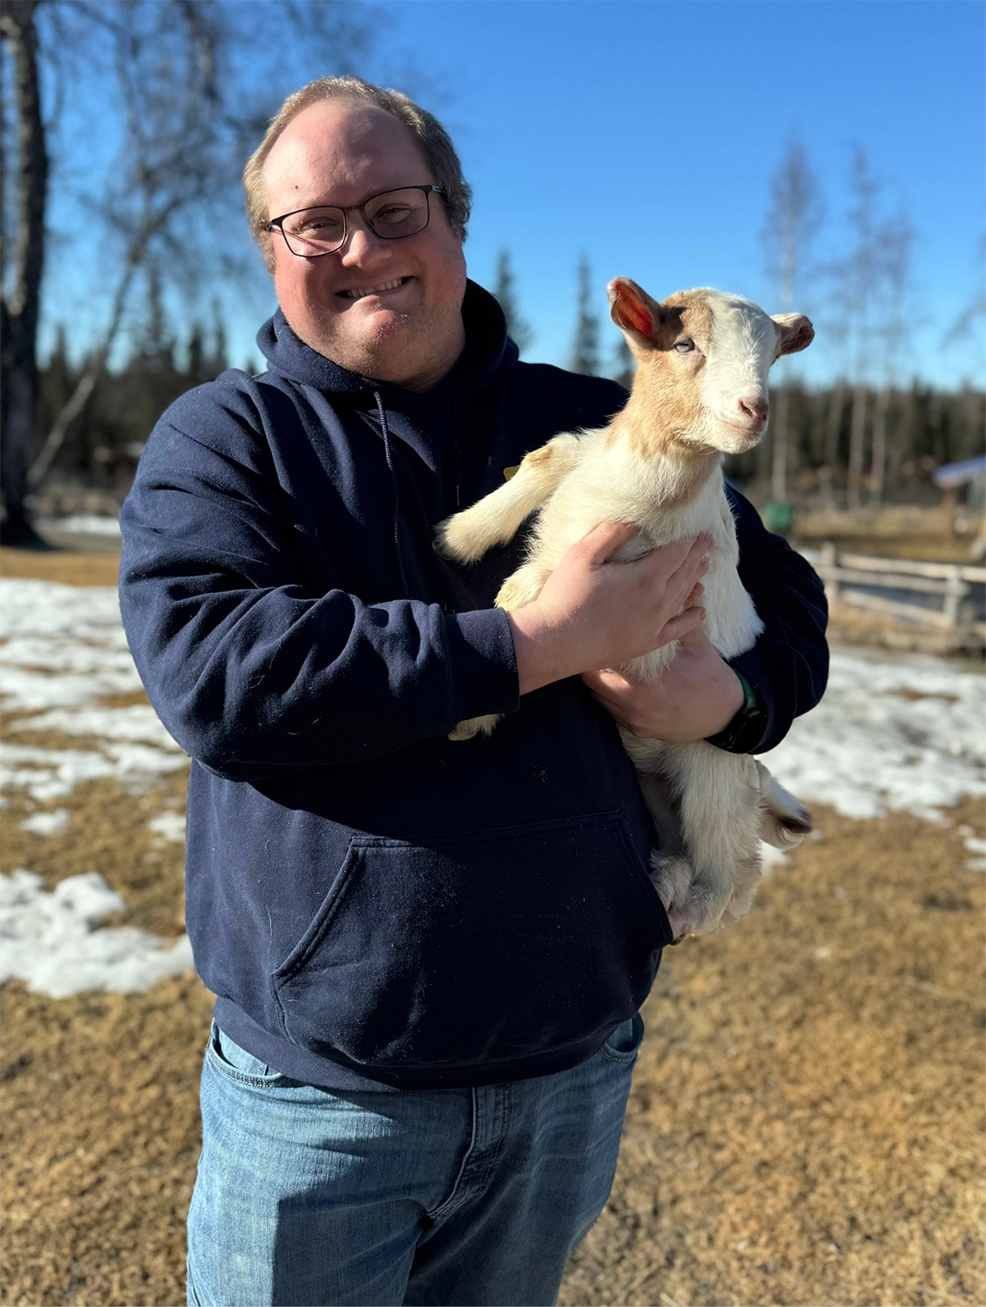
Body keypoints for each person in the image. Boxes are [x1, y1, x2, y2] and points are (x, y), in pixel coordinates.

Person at [119, 75, 828, 1307]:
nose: (360, 252)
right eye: (314, 225)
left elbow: (787, 599)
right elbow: (220, 674)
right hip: (321, 1103)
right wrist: (526, 645)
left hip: (567, 1071)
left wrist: (729, 702)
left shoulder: (599, 417)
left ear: (454, 219)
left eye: (394, 212)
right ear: (270, 250)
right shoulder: (223, 440)